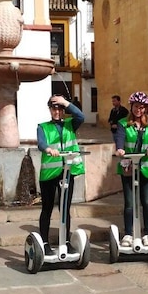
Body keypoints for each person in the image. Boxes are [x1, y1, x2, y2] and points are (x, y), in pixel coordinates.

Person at [37, 94, 85, 254]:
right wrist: (48, 149)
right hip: (49, 174)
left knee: (65, 208)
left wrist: (65, 102)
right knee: (47, 208)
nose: (57, 111)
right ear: (50, 110)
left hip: (67, 171)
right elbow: (41, 142)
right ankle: (44, 242)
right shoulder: (43, 127)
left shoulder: (71, 124)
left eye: (60, 108)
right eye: (54, 108)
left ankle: (65, 240)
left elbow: (80, 115)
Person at [114, 92, 148, 247]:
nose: (138, 110)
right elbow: (119, 138)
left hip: (146, 167)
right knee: (129, 203)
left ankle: (147, 233)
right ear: (131, 107)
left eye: (141, 107)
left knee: (146, 202)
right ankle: (128, 233)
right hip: (128, 167)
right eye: (136, 107)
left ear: (145, 108)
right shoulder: (123, 123)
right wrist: (120, 149)